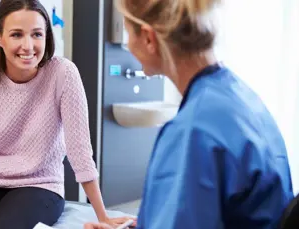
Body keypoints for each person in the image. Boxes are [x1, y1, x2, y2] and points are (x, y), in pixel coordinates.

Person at [84, 0, 294, 228]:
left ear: (147, 38)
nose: (129, 47)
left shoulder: (193, 131)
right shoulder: (241, 96)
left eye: (128, 34)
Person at [0, 0, 133, 229]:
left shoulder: (63, 74)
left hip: (40, 185)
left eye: (37, 34)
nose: (28, 46)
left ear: (46, 36)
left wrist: (103, 215)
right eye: (17, 35)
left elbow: (79, 151)